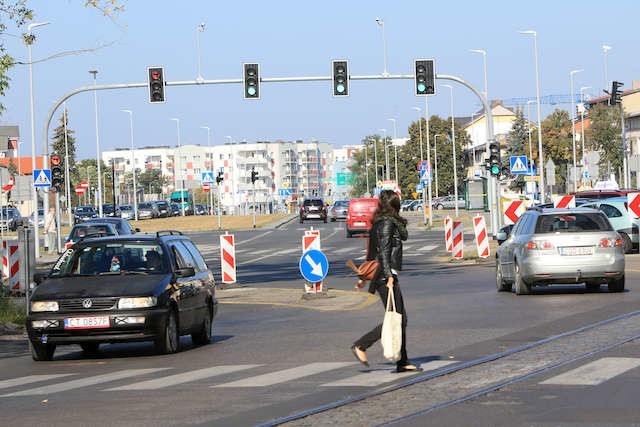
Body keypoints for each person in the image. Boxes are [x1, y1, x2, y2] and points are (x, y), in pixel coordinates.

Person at [351, 190, 422, 373]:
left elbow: (370, 253)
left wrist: (362, 278)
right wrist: (389, 276)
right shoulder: (387, 224)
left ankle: (402, 361)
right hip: (385, 276)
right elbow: (382, 252)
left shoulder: (381, 223)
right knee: (398, 318)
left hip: (384, 275)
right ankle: (362, 345)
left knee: (399, 318)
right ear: (394, 206)